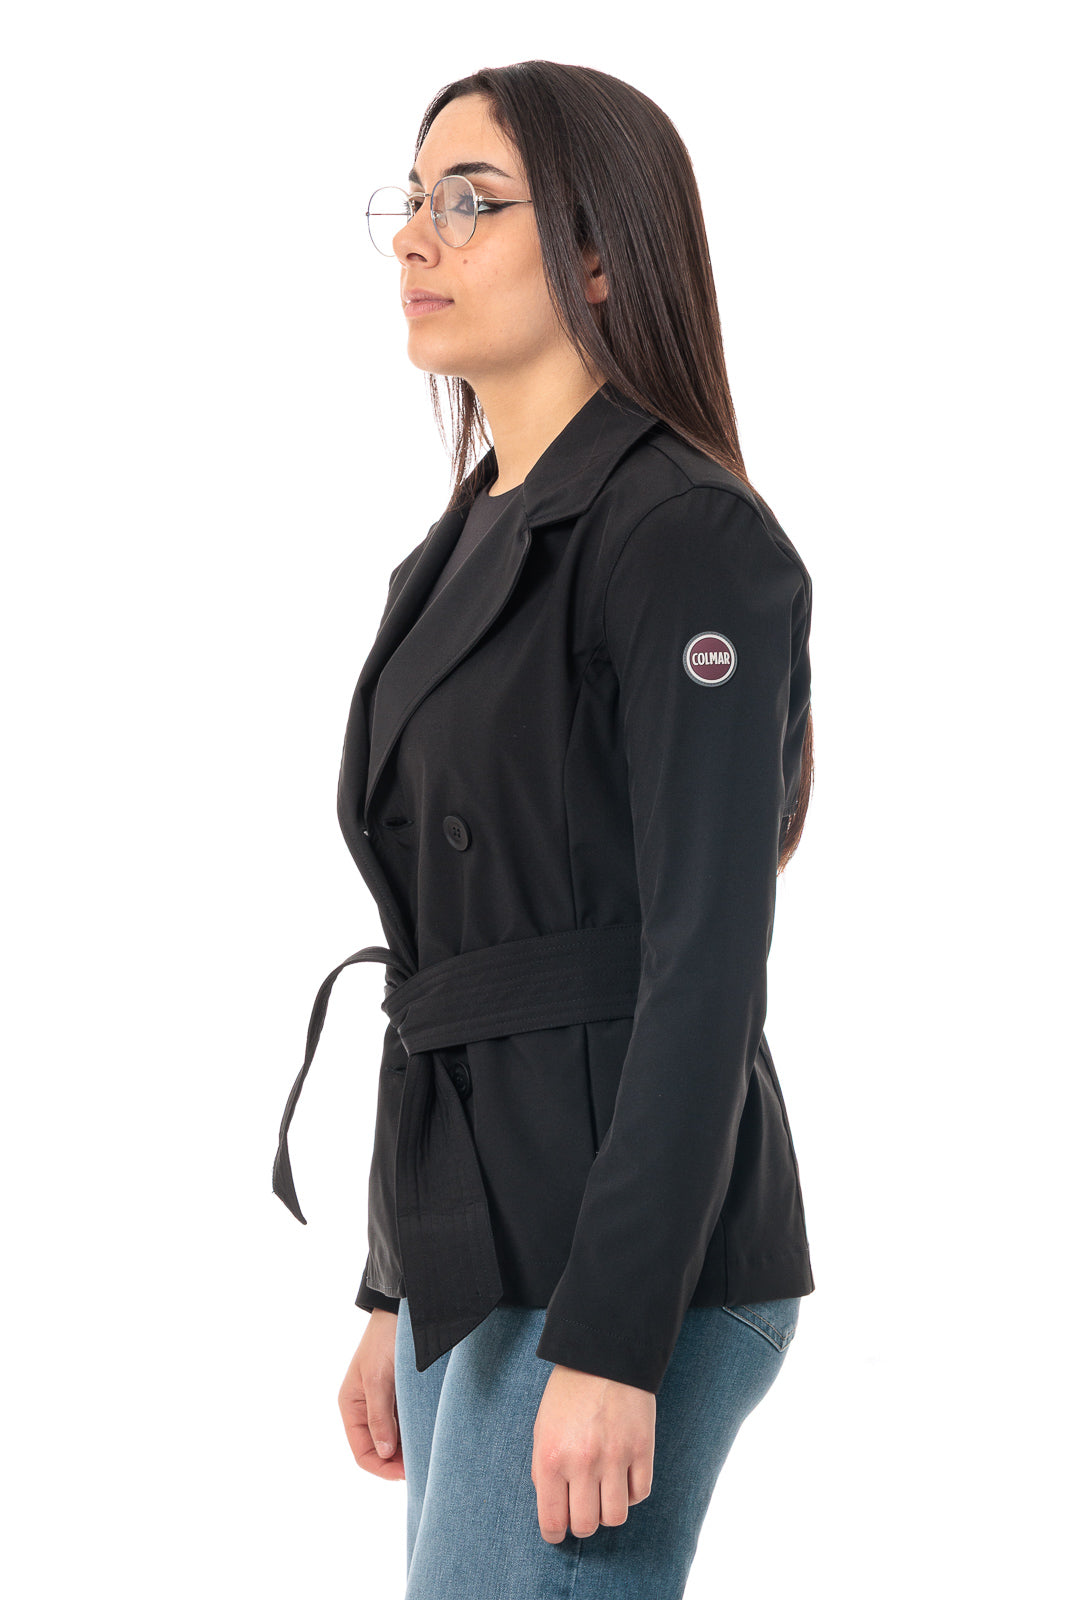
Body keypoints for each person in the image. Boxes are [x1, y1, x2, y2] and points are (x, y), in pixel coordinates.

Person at [273, 59, 817, 1599]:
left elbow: (705, 966)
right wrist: (395, 1283)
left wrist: (617, 1333)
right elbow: (445, 960)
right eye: (413, 199)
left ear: (597, 254)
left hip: (622, 1253)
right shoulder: (449, 554)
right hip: (480, 1245)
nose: (416, 236)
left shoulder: (686, 537)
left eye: (474, 201)